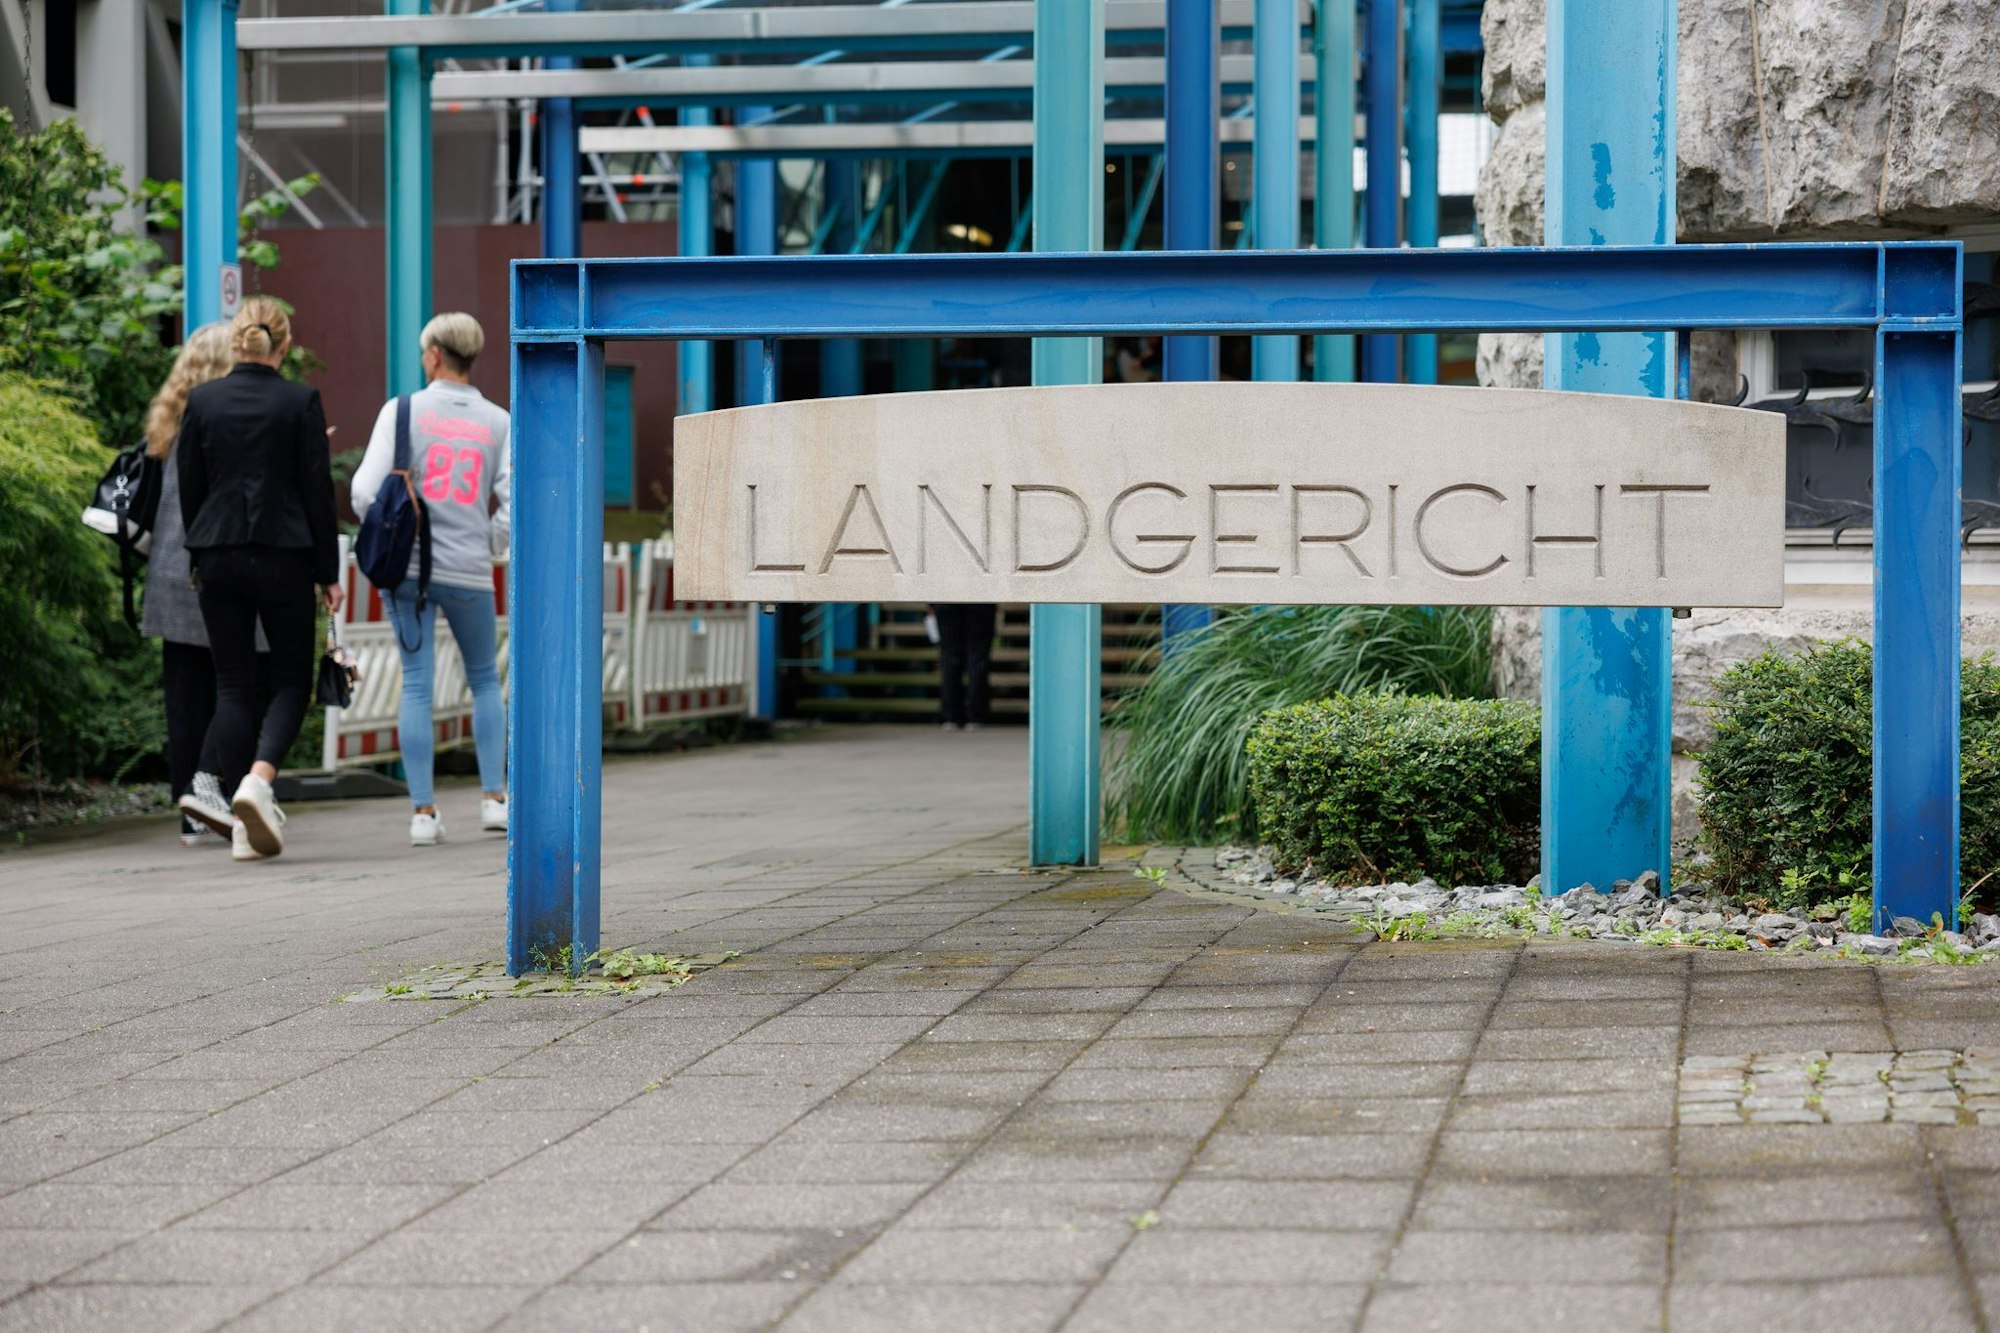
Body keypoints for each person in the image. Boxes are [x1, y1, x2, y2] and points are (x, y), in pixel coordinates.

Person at [174, 298, 343, 862]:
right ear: (284, 345)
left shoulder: (202, 401)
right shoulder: (300, 401)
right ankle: (258, 782)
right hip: (285, 555)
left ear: (237, 342)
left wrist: (201, 547)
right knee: (292, 681)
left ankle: (243, 828)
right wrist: (329, 572)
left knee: (232, 685)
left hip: (218, 553)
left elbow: (190, 486)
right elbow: (318, 493)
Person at [351, 312, 511, 847]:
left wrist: (394, 530)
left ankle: (424, 813)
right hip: (469, 568)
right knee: (485, 679)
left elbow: (362, 491)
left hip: (409, 571)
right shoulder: (498, 421)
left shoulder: (402, 412)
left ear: (435, 355)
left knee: (416, 682)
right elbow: (514, 501)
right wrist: (489, 542)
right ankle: (494, 800)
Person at [140, 323, 248, 847]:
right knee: (236, 681)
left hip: (167, 571)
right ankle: (211, 791)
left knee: (185, 695)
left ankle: (188, 807)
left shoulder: (167, 422)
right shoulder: (224, 420)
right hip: (215, 566)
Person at [933, 603, 997, 732]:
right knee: (977, 659)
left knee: (950, 658)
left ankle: (951, 716)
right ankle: (975, 715)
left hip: (946, 598)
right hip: (980, 599)